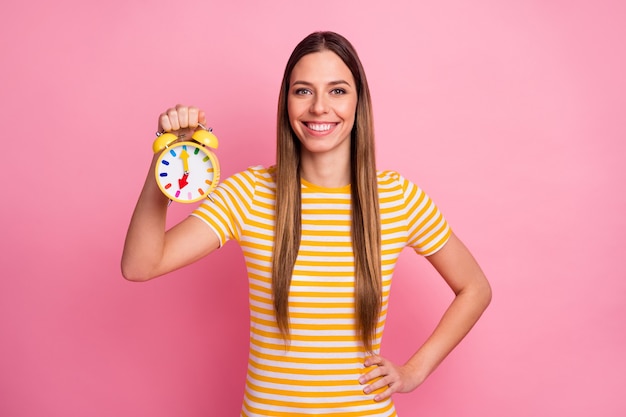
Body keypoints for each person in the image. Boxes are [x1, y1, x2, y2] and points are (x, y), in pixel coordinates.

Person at [122, 31, 492, 417]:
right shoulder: (250, 193)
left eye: (337, 91)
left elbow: (475, 287)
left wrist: (414, 371)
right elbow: (140, 265)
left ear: (358, 101)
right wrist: (168, 156)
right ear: (286, 103)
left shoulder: (396, 198)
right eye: (303, 91)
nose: (319, 107)